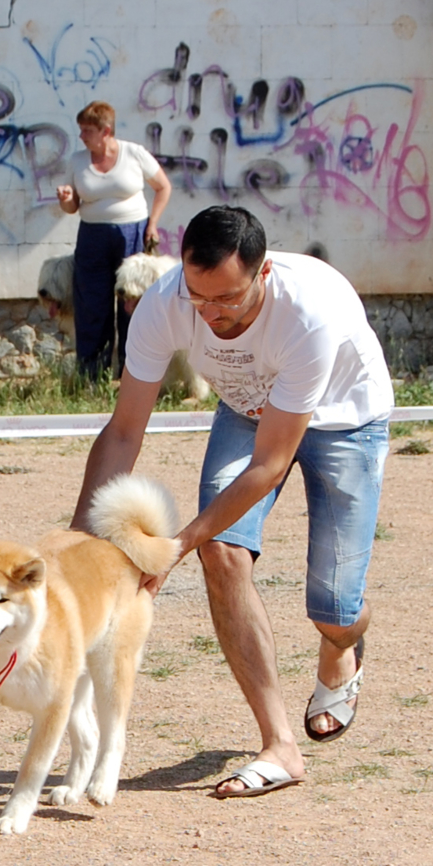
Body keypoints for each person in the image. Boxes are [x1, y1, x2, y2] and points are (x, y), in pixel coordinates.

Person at [70, 205, 393, 798]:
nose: (212, 314)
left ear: (262, 274)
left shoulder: (308, 314)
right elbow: (122, 433)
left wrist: (173, 544)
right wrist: (78, 541)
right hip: (247, 410)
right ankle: (280, 746)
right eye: (199, 297)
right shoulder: (166, 303)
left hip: (347, 420)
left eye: (229, 300)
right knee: (221, 553)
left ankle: (342, 642)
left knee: (334, 610)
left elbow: (270, 466)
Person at [55, 101, 173, 379]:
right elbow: (72, 208)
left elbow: (163, 186)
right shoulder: (77, 161)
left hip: (132, 233)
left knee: (134, 305)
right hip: (92, 236)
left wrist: (153, 224)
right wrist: (67, 200)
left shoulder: (134, 154)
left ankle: (134, 374)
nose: (82, 136)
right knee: (92, 305)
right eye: (81, 130)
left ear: (105, 131)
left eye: (87, 130)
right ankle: (93, 374)